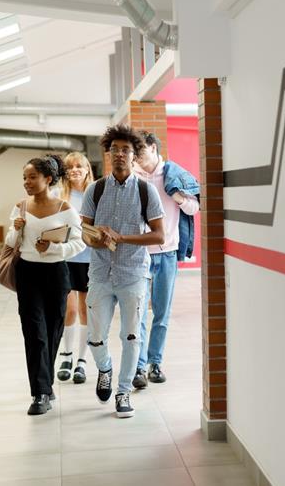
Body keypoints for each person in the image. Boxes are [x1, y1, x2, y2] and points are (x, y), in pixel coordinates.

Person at [81, 124, 164, 418]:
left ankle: (124, 390)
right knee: (94, 335)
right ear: (108, 154)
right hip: (100, 273)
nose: (119, 154)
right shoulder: (96, 189)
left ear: (134, 156)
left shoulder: (146, 191)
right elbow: (84, 233)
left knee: (131, 336)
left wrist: (121, 237)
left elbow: (159, 236)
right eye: (114, 149)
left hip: (133, 275)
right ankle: (104, 368)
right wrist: (97, 237)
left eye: (125, 150)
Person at [6, 155, 85, 415]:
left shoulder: (65, 209)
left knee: (52, 332)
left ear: (48, 179)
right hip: (28, 274)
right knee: (34, 333)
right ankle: (39, 393)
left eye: (32, 177)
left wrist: (54, 247)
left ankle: (46, 382)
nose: (27, 182)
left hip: (56, 274)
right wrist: (17, 229)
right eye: (25, 178)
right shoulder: (20, 207)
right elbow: (9, 241)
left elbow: (80, 242)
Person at [131, 130, 200, 388]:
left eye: (139, 150)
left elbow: (194, 208)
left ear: (152, 147)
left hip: (167, 253)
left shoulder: (172, 175)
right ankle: (137, 367)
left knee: (161, 312)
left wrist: (177, 196)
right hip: (139, 255)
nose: (136, 156)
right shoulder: (132, 178)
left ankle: (154, 363)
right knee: (138, 313)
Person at [55, 152, 94, 384]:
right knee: (68, 310)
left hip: (90, 260)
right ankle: (67, 355)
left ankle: (82, 360)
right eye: (70, 167)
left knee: (86, 310)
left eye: (80, 166)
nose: (75, 170)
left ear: (87, 169)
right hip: (67, 260)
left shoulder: (95, 194)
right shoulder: (59, 195)